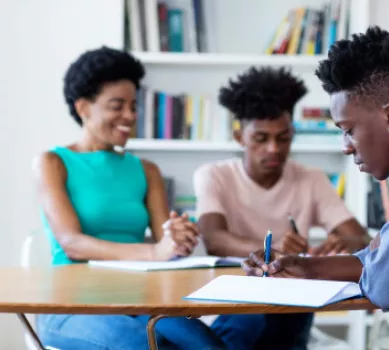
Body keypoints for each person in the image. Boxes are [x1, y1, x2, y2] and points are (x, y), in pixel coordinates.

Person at [242, 26, 389, 347]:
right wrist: (305, 267)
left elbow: (387, 284)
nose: (345, 146)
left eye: (348, 129)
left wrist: (382, 263)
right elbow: (385, 256)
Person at [33, 46, 262, 350]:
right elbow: (72, 243)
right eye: (117, 105)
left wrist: (178, 238)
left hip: (138, 298)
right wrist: (154, 252)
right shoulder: (53, 162)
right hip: (70, 303)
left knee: (209, 346)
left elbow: (167, 246)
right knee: (142, 345)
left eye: (133, 105)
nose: (130, 115)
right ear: (83, 108)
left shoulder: (146, 170)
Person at [193, 66, 370, 349]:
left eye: (284, 137)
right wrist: (275, 250)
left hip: (291, 301)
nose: (274, 148)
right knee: (249, 324)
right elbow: (214, 239)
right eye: (261, 138)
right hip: (235, 301)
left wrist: (337, 244)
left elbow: (360, 238)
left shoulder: (311, 178)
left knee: (292, 317)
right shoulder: (214, 175)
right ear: (240, 137)